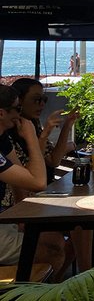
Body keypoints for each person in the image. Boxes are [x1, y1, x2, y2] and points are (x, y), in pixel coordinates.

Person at [0, 85, 66, 277]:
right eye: (17, 109)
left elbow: (21, 176)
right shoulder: (18, 133)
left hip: (6, 220)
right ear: (2, 113)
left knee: (55, 240)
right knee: (52, 253)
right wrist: (31, 137)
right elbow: (37, 182)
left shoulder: (2, 138)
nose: (20, 115)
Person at [3, 78, 79, 203]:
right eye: (36, 99)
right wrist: (42, 135)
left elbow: (53, 160)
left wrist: (67, 124)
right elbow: (28, 174)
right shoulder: (7, 131)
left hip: (40, 194)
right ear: (19, 100)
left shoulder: (33, 124)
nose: (42, 104)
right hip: (17, 203)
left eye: (44, 99)